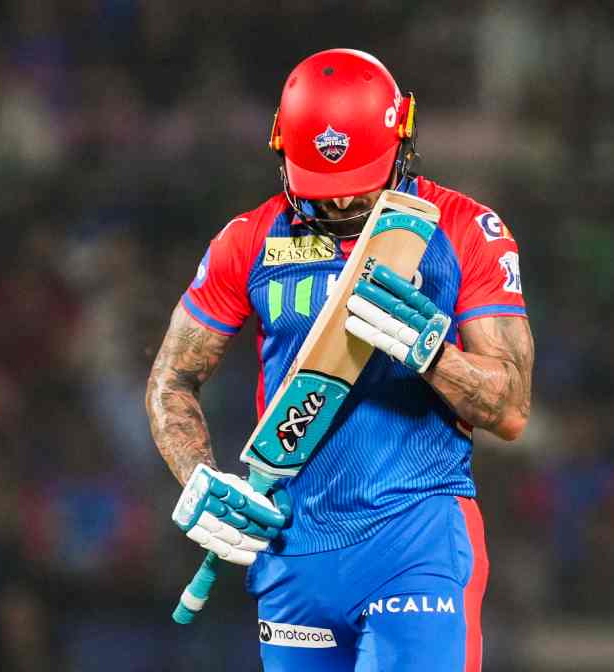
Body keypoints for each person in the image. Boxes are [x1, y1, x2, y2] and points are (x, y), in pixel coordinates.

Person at [145, 48, 533, 672]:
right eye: (322, 193)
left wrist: (431, 355)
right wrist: (197, 477)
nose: (340, 208)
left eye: (359, 189)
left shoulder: (465, 228)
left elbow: (512, 408)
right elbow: (172, 378)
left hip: (417, 541)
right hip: (292, 556)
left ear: (404, 137)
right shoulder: (247, 240)